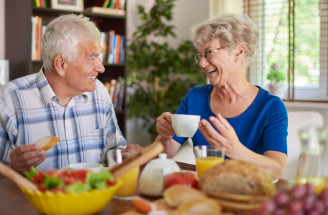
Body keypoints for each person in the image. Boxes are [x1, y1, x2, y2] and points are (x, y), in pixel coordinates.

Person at [0, 14, 142, 174]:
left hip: (94, 197)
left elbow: (113, 151)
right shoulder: (8, 100)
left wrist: (125, 156)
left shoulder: (100, 92)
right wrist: (12, 168)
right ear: (61, 64)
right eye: (92, 58)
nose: (101, 68)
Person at [155, 14, 287, 178]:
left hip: (249, 195)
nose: (202, 63)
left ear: (238, 52)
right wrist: (165, 136)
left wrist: (235, 150)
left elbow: (277, 169)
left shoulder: (271, 107)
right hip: (206, 190)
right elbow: (165, 154)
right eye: (200, 55)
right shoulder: (195, 97)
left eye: (209, 53)